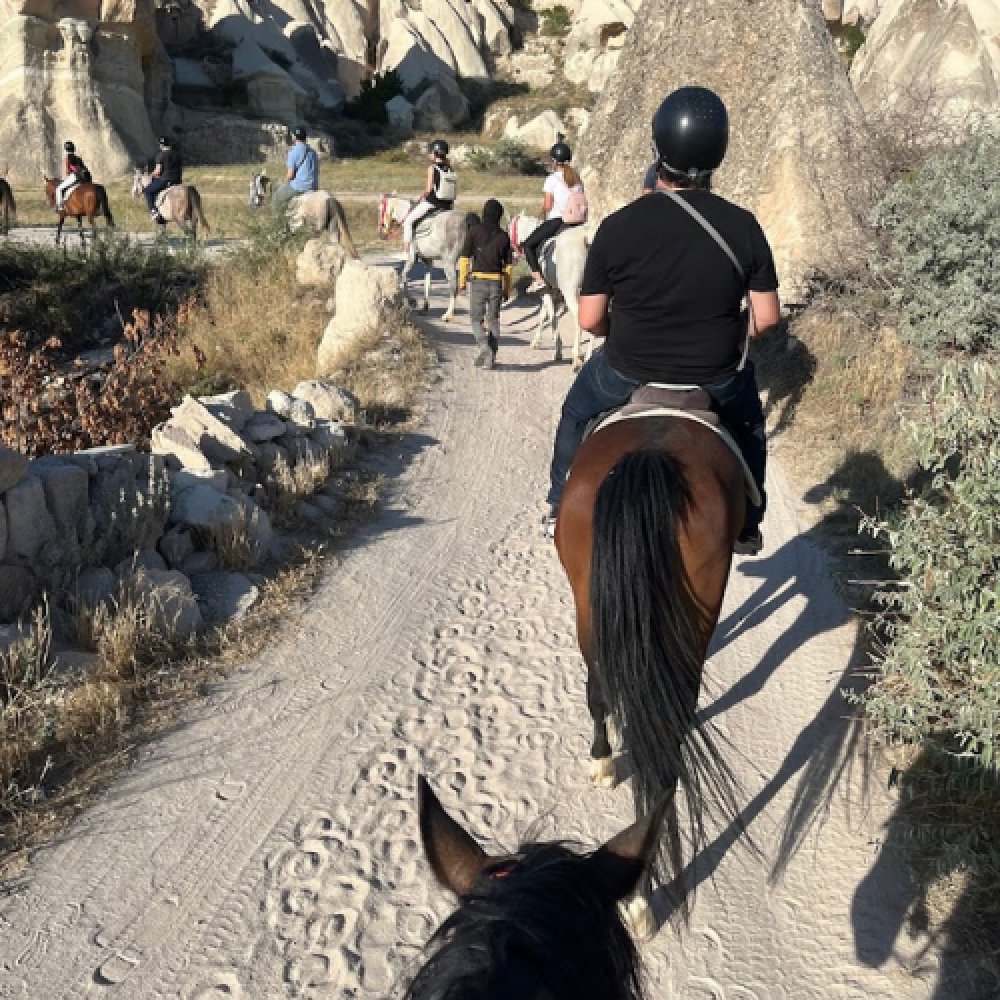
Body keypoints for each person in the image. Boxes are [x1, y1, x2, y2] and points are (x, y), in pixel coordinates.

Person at [544, 86, 781, 555]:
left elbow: (589, 319)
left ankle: (557, 502)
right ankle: (749, 524)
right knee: (750, 428)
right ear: (719, 153)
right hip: (714, 374)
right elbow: (768, 317)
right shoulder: (743, 226)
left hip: (627, 368)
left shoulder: (618, 226)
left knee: (576, 412)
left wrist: (620, 329)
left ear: (658, 150)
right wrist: (734, 332)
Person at [523, 141, 585, 294]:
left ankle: (538, 281)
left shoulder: (552, 179)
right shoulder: (577, 179)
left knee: (528, 245)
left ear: (555, 161)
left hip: (558, 221)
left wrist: (542, 210)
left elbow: (548, 205)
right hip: (578, 222)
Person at [458, 198, 513, 370]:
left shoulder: (474, 232)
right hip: (496, 282)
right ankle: (491, 356)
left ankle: (484, 349)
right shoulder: (504, 237)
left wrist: (462, 282)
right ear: (499, 216)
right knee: (493, 319)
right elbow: (508, 267)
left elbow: (464, 259)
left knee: (476, 319)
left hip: (478, 281)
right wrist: (506, 289)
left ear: (484, 213)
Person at [402, 139, 456, 254]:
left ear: (435, 153)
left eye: (431, 152)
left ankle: (407, 252)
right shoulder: (450, 168)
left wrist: (418, 198)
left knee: (408, 221)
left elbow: (428, 190)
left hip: (433, 203)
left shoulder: (432, 168)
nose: (429, 155)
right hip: (447, 205)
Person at [272, 125, 319, 218]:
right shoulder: (313, 152)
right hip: (314, 187)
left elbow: (290, 175)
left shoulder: (294, 152)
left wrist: (284, 182)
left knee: (276, 197)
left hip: (300, 187)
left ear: (293, 137)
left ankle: (277, 221)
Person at [145, 136, 182, 224]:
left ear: (161, 145)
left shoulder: (161, 155)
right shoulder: (177, 155)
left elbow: (158, 171)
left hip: (165, 180)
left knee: (148, 191)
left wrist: (151, 175)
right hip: (177, 181)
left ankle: (153, 211)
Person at [55, 141, 89, 210]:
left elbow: (68, 172)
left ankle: (60, 207)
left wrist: (67, 178)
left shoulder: (67, 158)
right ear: (73, 149)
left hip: (76, 176)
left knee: (58, 189)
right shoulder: (78, 158)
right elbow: (84, 168)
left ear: (65, 149)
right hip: (85, 177)